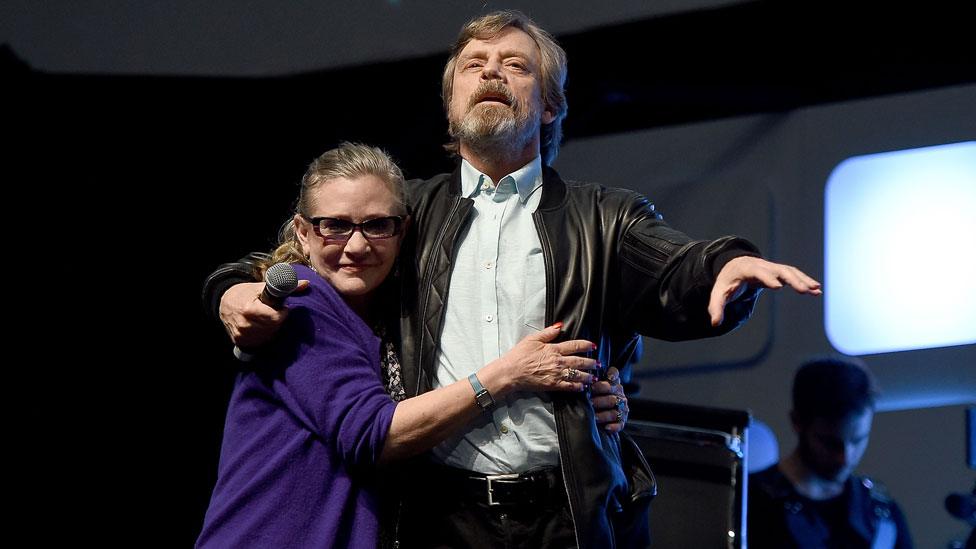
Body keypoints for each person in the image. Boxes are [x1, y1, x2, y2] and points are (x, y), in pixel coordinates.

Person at [203, 11, 822, 548]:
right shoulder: (405, 214)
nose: (492, 72)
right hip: (436, 514)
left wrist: (726, 263)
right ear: (451, 105)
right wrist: (228, 290)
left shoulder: (602, 217)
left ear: (549, 105)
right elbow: (307, 253)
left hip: (565, 513)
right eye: (474, 63)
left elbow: (676, 268)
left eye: (516, 65)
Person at [195, 143, 601, 548]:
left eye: (376, 225)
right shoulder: (304, 304)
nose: (356, 246)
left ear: (401, 230)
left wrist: (593, 392)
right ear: (303, 232)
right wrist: (507, 374)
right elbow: (373, 434)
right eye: (335, 225)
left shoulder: (391, 309)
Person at [748, 357, 913, 548]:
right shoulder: (753, 503)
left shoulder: (881, 514)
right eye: (829, 443)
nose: (845, 458)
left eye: (858, 440)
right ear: (797, 423)